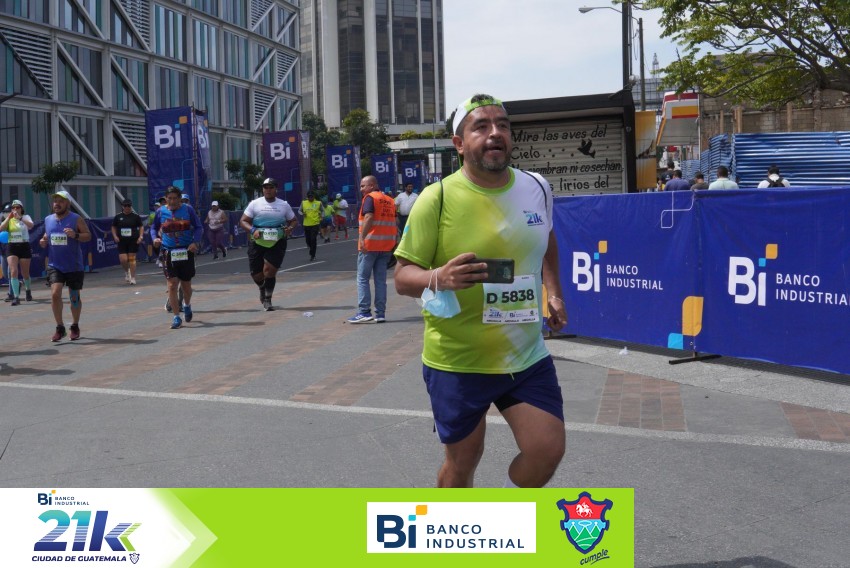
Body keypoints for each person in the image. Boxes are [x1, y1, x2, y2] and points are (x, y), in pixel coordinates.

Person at [394, 94, 567, 488]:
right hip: (458, 360)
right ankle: (455, 524)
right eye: (482, 127)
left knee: (546, 452)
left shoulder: (536, 187)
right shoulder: (436, 199)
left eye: (502, 125)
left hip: (525, 356)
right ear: (459, 143)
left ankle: (494, 516)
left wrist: (553, 292)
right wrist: (439, 277)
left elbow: (547, 241)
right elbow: (403, 277)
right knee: (462, 463)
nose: (495, 133)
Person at [239, 177, 299, 311]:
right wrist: (253, 230)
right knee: (257, 274)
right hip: (257, 240)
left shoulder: (283, 205)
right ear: (262, 189)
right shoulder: (255, 204)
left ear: (276, 189)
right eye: (265, 187)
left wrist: (289, 228)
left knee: (269, 271)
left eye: (271, 187)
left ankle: (268, 299)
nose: (268, 190)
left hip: (277, 241)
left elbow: (294, 220)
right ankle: (262, 287)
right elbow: (243, 221)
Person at [39, 190, 91, 341]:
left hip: (73, 265)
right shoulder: (48, 219)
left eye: (61, 201)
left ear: (67, 203)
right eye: (55, 201)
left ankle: (74, 325)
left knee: (74, 297)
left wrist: (75, 235)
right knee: (55, 294)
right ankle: (60, 327)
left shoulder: (76, 219)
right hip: (55, 265)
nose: (57, 204)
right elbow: (47, 236)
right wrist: (43, 241)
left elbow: (88, 236)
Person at [150, 186, 203, 329]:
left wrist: (195, 242)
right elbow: (153, 228)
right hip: (168, 251)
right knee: (172, 285)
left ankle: (187, 304)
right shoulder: (161, 211)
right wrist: (155, 238)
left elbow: (198, 227)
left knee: (186, 286)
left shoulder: (188, 210)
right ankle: (176, 317)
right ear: (166, 199)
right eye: (169, 198)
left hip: (186, 250)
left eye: (175, 198)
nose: (172, 201)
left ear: (180, 199)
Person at [346, 176, 396, 323]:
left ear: (372, 185)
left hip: (369, 246)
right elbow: (395, 220)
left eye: (363, 186)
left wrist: (362, 237)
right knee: (380, 281)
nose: (361, 189)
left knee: (362, 278)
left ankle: (364, 311)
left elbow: (368, 217)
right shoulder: (390, 200)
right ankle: (380, 313)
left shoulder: (370, 198)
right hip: (386, 246)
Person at [0, 199, 34, 305]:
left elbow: (31, 225)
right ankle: (16, 297)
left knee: (25, 273)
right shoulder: (9, 219)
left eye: (17, 207)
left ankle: (28, 290)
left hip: (24, 245)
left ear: (21, 208)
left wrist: (20, 218)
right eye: (13, 207)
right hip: (12, 246)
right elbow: (1, 228)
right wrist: (8, 218)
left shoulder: (26, 217)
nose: (15, 209)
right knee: (13, 271)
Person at [111, 198, 144, 285]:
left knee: (132, 258)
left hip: (133, 240)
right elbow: (113, 227)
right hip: (122, 240)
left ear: (131, 206)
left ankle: (133, 277)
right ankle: (127, 271)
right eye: (125, 206)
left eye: (129, 206)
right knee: (123, 259)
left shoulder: (135, 216)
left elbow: (141, 226)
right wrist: (115, 236)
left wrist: (140, 236)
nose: (127, 207)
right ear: (122, 207)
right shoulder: (118, 217)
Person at [298, 190, 322, 261]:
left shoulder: (318, 203)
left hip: (315, 224)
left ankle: (313, 255)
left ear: (314, 197)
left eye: (312, 197)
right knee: (308, 240)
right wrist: (302, 214)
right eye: (309, 197)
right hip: (306, 224)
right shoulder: (303, 203)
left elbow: (322, 210)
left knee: (313, 239)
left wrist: (322, 216)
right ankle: (311, 249)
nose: (310, 198)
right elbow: (299, 211)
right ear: (307, 197)